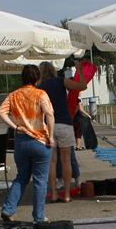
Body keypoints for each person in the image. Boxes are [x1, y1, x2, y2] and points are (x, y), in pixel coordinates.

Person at [0, 65, 55, 223]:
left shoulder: (14, 95)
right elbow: (49, 115)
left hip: (21, 141)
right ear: (37, 78)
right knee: (40, 180)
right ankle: (39, 216)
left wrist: (15, 126)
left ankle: (8, 209)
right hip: (40, 141)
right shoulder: (41, 94)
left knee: (21, 177)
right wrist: (51, 136)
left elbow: (1, 112)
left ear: (22, 78)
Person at [38, 61, 87, 203]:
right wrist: (79, 70)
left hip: (48, 126)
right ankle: (66, 195)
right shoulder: (61, 81)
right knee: (66, 161)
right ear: (53, 70)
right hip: (64, 123)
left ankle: (53, 193)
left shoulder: (39, 87)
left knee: (52, 162)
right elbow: (82, 86)